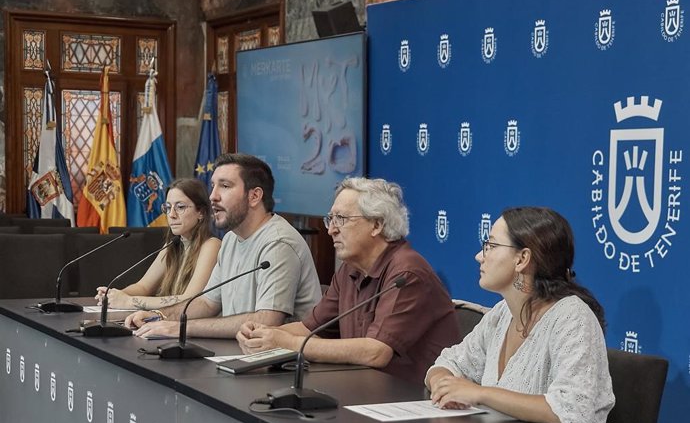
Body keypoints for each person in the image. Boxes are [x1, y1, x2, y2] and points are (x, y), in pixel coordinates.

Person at [237, 177, 459, 383]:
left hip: (413, 401)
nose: (331, 230)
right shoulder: (349, 270)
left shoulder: (407, 273)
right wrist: (261, 334)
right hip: (363, 390)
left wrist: (287, 343)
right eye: (330, 219)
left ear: (377, 225)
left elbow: (376, 352)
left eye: (341, 219)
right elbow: (308, 329)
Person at [425, 207, 614, 423]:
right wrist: (443, 386)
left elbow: (573, 413)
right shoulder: (502, 313)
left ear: (522, 259)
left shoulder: (572, 317)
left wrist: (480, 394)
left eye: (491, 246)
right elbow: (450, 362)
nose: (479, 256)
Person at [125, 153, 322, 339]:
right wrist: (159, 316)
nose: (212, 196)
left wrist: (181, 328)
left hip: (280, 366)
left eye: (225, 186)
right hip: (239, 353)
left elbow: (267, 321)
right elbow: (206, 303)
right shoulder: (230, 240)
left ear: (254, 196)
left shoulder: (278, 243)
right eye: (213, 186)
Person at [95, 178, 221, 310]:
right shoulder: (173, 243)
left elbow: (189, 300)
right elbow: (143, 287)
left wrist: (129, 301)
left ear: (200, 212)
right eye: (167, 207)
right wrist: (115, 295)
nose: (171, 215)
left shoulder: (211, 245)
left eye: (180, 207)